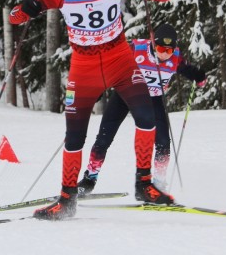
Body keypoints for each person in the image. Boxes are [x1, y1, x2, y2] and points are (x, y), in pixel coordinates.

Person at [9, 0, 174, 220]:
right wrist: (28, 7)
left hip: (119, 59)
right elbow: (15, 18)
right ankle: (66, 199)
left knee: (147, 117)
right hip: (83, 66)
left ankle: (144, 184)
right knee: (75, 135)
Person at [77, 24, 206, 196]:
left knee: (163, 142)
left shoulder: (175, 57)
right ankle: (89, 180)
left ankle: (158, 185)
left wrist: (199, 77)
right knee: (104, 138)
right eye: (161, 48)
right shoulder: (136, 49)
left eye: (169, 50)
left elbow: (186, 69)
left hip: (153, 99)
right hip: (125, 94)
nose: (164, 54)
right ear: (153, 43)